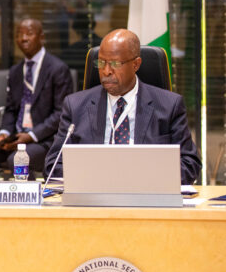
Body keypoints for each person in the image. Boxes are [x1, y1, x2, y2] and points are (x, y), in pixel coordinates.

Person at [44, 29, 201, 184]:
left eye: (115, 64)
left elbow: (190, 164)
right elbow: (53, 166)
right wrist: (102, 179)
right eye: (101, 63)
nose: (106, 71)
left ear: (136, 64)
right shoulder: (75, 106)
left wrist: (136, 179)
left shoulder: (169, 105)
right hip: (93, 195)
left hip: (146, 195)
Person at [0, 18, 73, 182]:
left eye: (29, 33)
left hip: (44, 140)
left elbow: (60, 113)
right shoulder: (15, 72)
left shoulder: (58, 69)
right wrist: (4, 134)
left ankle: (31, 197)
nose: (23, 38)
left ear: (42, 37)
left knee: (17, 160)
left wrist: (31, 135)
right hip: (15, 138)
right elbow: (10, 110)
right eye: (19, 34)